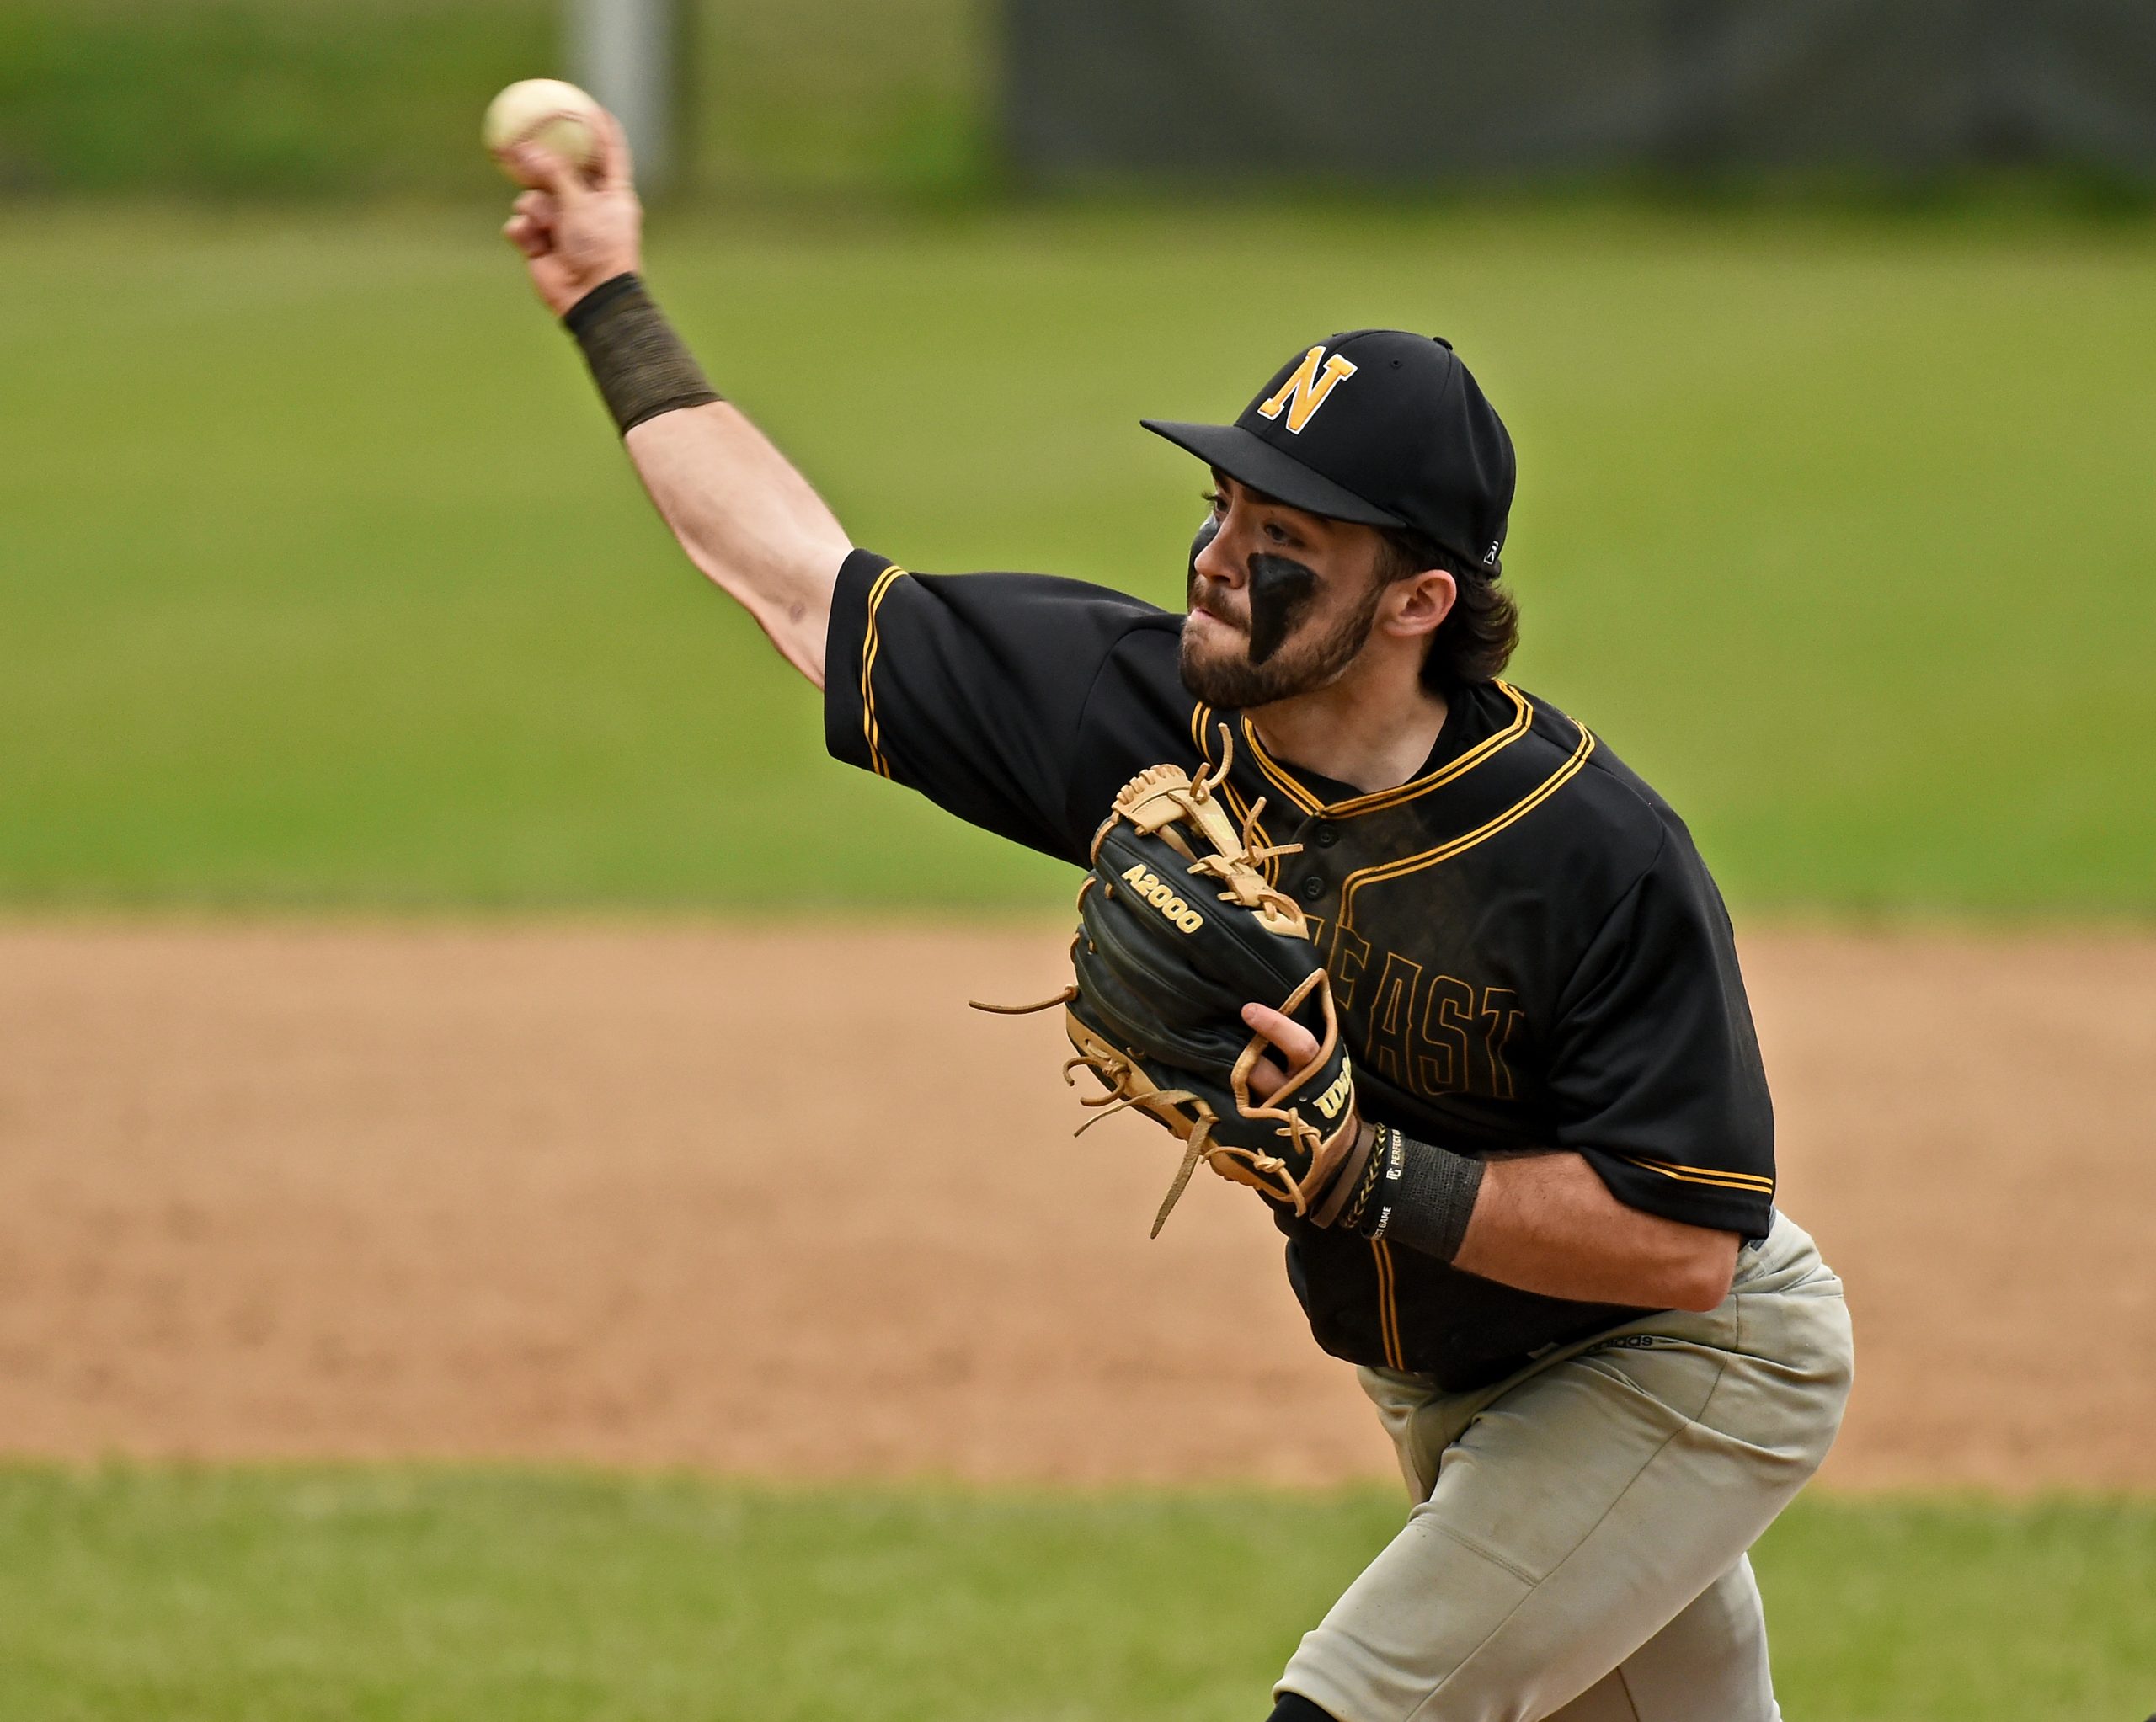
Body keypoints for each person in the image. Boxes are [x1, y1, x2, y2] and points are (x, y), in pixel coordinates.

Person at [499, 113, 1854, 1722]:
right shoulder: (1147, 706)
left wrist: (1368, 1170)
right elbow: (802, 584)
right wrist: (609, 296)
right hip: (1453, 1387)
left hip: (1686, 1373)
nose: (1217, 562)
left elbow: (1691, 1245)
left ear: (1419, 601)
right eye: (1221, 507)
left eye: (1283, 542)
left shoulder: (1589, 852)